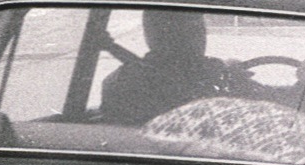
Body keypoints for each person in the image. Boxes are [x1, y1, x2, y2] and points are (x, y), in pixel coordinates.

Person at [100, 9, 233, 126]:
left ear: (149, 35)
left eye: (199, 30)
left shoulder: (119, 80)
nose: (201, 38)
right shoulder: (215, 74)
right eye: (194, 30)